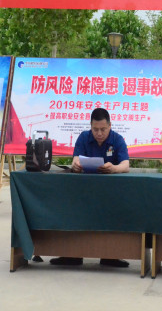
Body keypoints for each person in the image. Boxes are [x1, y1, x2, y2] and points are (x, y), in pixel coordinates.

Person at [50, 108, 130, 268]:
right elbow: (76, 159)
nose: (99, 133)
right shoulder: (83, 137)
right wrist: (76, 165)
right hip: (83, 190)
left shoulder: (117, 139)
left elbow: (126, 165)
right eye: (95, 129)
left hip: (110, 192)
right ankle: (72, 255)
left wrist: (114, 168)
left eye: (103, 129)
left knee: (111, 216)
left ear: (110, 126)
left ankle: (110, 256)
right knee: (73, 213)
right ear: (90, 126)